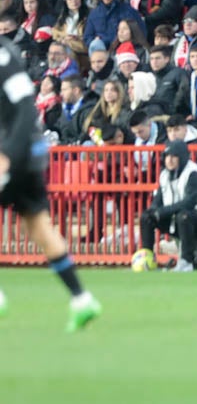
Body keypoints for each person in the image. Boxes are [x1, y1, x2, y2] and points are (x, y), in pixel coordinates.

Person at [0, 38, 102, 328]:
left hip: (14, 152)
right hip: (26, 152)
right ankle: (81, 298)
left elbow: (25, 108)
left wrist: (8, 155)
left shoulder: (3, 57)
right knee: (38, 226)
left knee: (39, 225)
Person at [134, 140, 197, 274]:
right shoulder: (164, 175)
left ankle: (186, 262)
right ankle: (147, 260)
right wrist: (153, 212)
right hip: (179, 219)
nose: (169, 160)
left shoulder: (194, 174)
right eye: (167, 156)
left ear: (182, 157)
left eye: (174, 156)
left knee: (184, 215)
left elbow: (189, 203)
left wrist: (161, 212)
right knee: (146, 216)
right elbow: (158, 200)